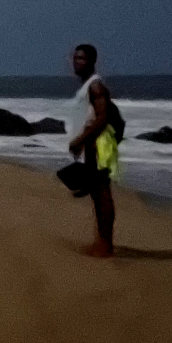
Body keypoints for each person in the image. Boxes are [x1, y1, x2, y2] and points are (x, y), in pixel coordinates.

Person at [68, 43, 118, 257]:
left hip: (99, 143)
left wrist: (80, 140)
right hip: (91, 143)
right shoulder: (88, 85)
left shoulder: (95, 86)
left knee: (102, 191)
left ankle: (106, 243)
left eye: (82, 58)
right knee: (95, 192)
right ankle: (101, 239)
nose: (77, 62)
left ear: (92, 62)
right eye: (75, 58)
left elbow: (102, 118)